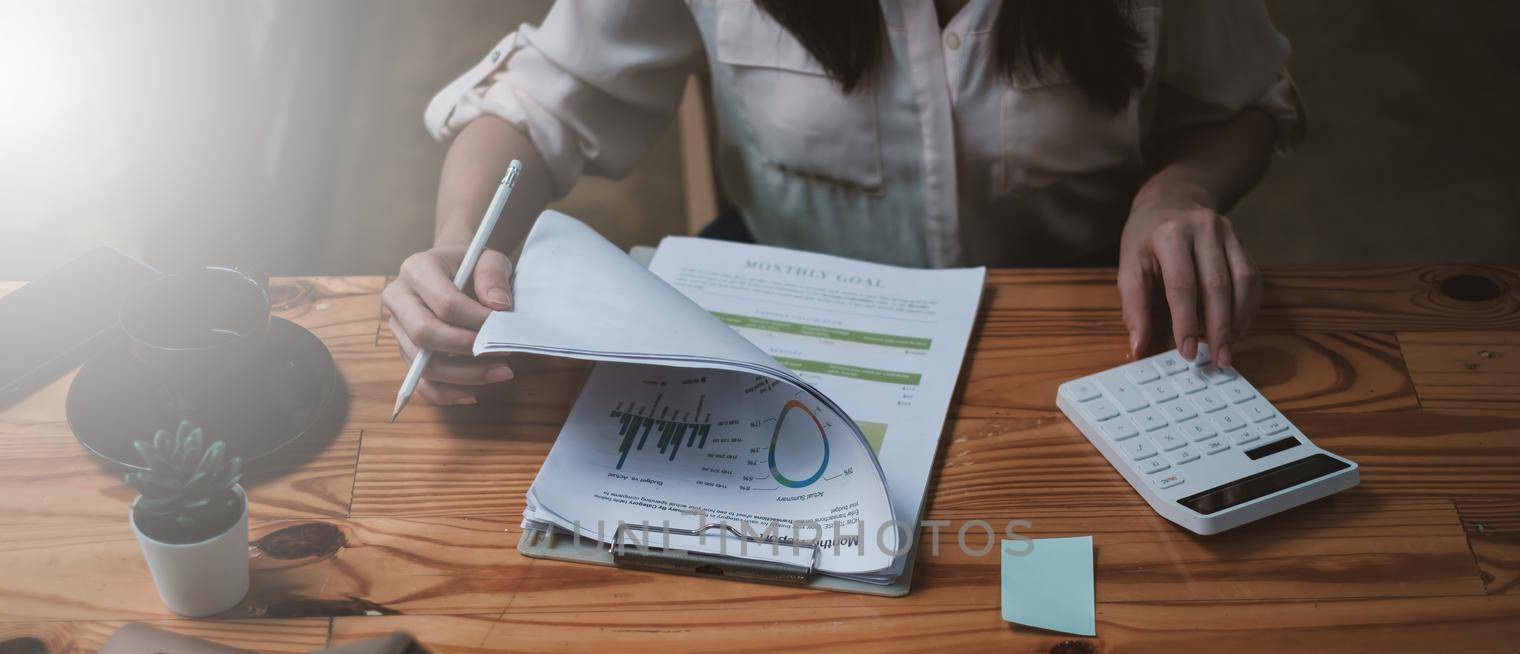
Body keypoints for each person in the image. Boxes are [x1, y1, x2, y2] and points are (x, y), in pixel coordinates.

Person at [384, 0, 1303, 406]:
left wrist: (1179, 188)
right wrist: (462, 247)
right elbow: (534, 109)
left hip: (1088, 330)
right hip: (788, 327)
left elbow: (1246, 102)